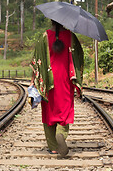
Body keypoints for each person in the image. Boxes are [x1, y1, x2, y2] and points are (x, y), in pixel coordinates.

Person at [30, 20, 84, 158]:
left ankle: (53, 147)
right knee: (65, 111)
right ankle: (61, 133)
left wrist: (32, 83)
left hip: (48, 82)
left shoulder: (44, 37)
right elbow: (79, 57)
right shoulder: (71, 37)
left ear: (51, 21)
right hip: (65, 80)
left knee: (49, 112)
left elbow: (36, 62)